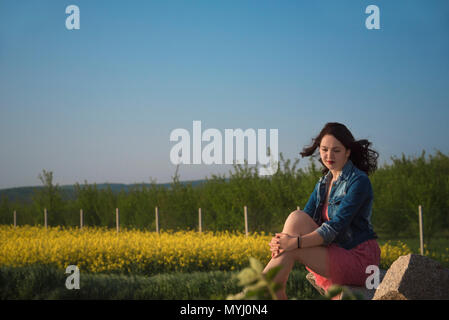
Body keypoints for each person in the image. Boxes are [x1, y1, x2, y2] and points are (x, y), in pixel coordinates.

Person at [262, 122, 380, 300]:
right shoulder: (324, 183)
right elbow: (302, 220)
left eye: (336, 150)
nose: (329, 155)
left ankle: (269, 288)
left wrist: (293, 243)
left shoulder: (359, 182)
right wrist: (281, 242)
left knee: (292, 246)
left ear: (348, 151)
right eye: (324, 149)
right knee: (296, 217)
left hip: (359, 258)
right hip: (334, 250)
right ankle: (270, 288)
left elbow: (335, 227)